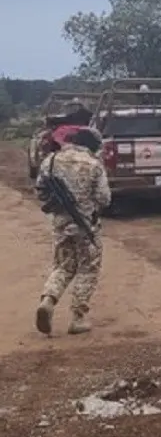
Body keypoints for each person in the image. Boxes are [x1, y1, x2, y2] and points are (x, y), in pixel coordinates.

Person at [34, 127, 111, 336]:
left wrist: (56, 206)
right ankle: (78, 318)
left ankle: (48, 300)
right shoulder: (94, 164)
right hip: (87, 225)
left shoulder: (51, 161)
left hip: (60, 224)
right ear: (91, 145)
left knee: (63, 265)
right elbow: (105, 198)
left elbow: (40, 190)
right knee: (88, 268)